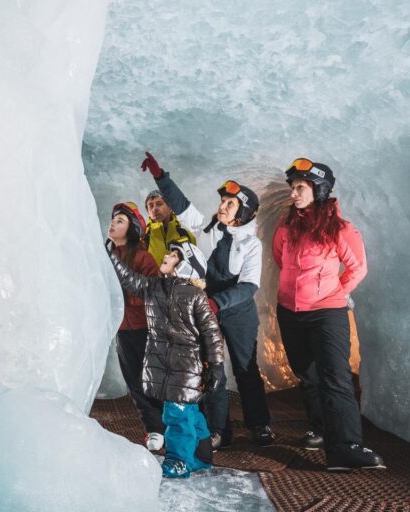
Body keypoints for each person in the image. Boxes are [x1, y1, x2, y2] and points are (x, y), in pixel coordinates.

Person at [141, 152, 276, 448]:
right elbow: (180, 204)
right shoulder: (206, 230)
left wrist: (218, 302)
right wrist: (160, 176)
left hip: (238, 312)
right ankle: (218, 431)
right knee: (211, 369)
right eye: (223, 201)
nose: (223, 206)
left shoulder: (251, 244)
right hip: (208, 310)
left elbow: (249, 285)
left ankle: (260, 424)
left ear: (244, 212)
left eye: (230, 203)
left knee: (244, 368)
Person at [273, 157, 385, 471]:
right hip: (290, 312)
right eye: (292, 187)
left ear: (319, 189)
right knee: (306, 373)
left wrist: (333, 292)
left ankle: (346, 447)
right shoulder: (286, 226)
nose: (293, 193)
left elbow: (358, 267)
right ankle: (321, 429)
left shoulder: (340, 228)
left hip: (326, 313)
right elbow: (280, 257)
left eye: (300, 188)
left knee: (335, 378)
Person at [105, 239, 226, 478]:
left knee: (176, 414)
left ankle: (177, 460)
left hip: (186, 365)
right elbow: (129, 279)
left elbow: (211, 333)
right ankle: (202, 455)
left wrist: (217, 365)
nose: (166, 256)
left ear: (184, 266)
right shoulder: (154, 287)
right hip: (163, 363)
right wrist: (110, 257)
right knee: (188, 411)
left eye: (173, 255)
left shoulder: (195, 295)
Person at [107, 201, 165, 451]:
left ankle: (167, 425)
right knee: (133, 381)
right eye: (112, 219)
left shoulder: (143, 257)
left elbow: (151, 291)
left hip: (143, 328)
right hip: (122, 330)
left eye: (120, 220)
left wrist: (124, 297)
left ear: (132, 229)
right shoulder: (105, 255)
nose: (112, 223)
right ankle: (153, 428)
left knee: (151, 380)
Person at [143, 189, 197, 264]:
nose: (154, 209)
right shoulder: (143, 238)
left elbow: (196, 266)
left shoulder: (186, 235)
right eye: (150, 206)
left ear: (170, 207)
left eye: (159, 204)